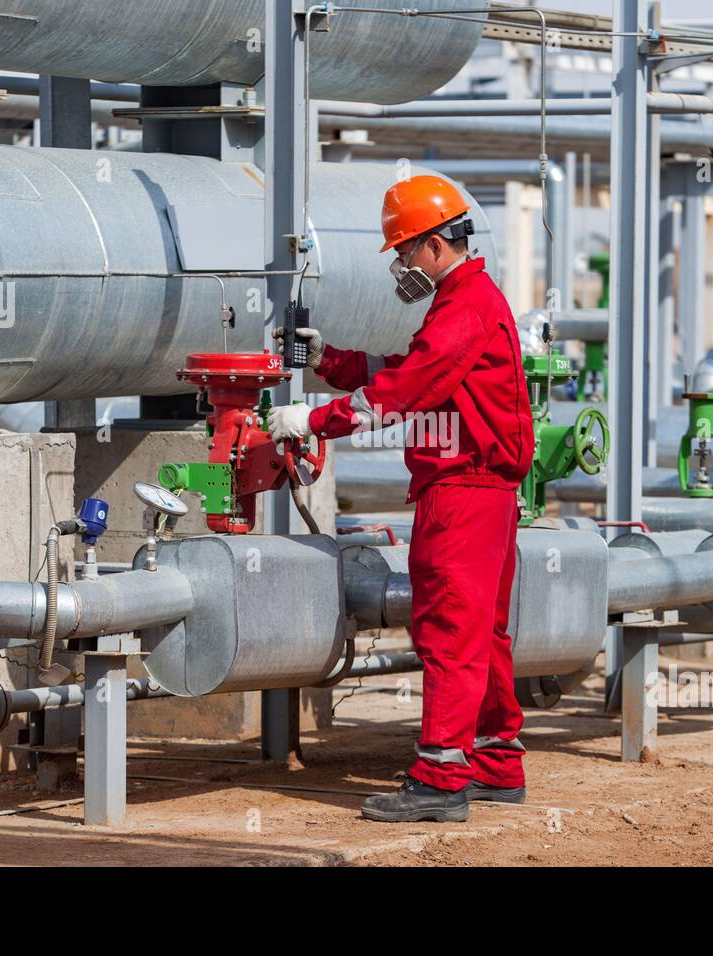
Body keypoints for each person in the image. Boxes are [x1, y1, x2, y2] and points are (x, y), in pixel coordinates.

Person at [268, 175, 535, 823]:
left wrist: (313, 421)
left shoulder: (465, 307)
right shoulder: (464, 304)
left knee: (448, 633)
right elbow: (402, 368)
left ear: (437, 244)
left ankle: (441, 779)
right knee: (483, 634)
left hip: (463, 494)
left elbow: (402, 392)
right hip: (484, 494)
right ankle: (497, 763)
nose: (402, 267)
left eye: (406, 252)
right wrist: (328, 359)